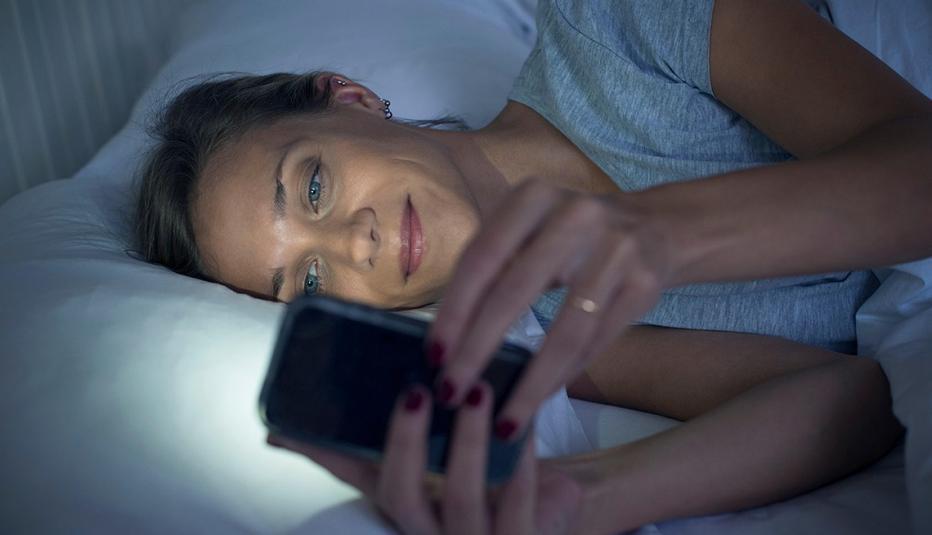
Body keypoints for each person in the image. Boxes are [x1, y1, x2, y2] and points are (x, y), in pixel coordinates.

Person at [135, 0, 932, 533]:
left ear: (348, 99)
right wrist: (579, 498)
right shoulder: (553, 327)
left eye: (313, 186)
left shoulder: (621, 24)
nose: (354, 243)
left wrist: (668, 232)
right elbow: (852, 399)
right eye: (308, 280)